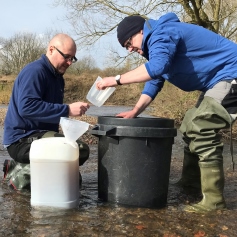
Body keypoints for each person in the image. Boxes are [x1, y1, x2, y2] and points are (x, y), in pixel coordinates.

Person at [96, 13, 237, 213]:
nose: (130, 50)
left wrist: (116, 79)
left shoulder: (162, 32)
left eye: (129, 43)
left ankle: (214, 201)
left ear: (140, 31)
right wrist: (135, 111)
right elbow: (154, 80)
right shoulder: (157, 45)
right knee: (188, 124)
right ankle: (191, 183)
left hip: (232, 74)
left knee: (201, 125)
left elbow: (157, 67)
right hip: (216, 82)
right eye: (126, 47)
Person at [3, 33, 90, 191]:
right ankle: (21, 175)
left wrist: (67, 125)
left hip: (39, 137)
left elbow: (49, 113)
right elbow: (27, 108)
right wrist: (68, 109)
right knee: (79, 150)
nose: (70, 62)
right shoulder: (35, 72)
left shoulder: (57, 78)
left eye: (73, 59)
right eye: (67, 57)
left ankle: (25, 167)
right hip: (21, 140)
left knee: (73, 175)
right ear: (51, 49)